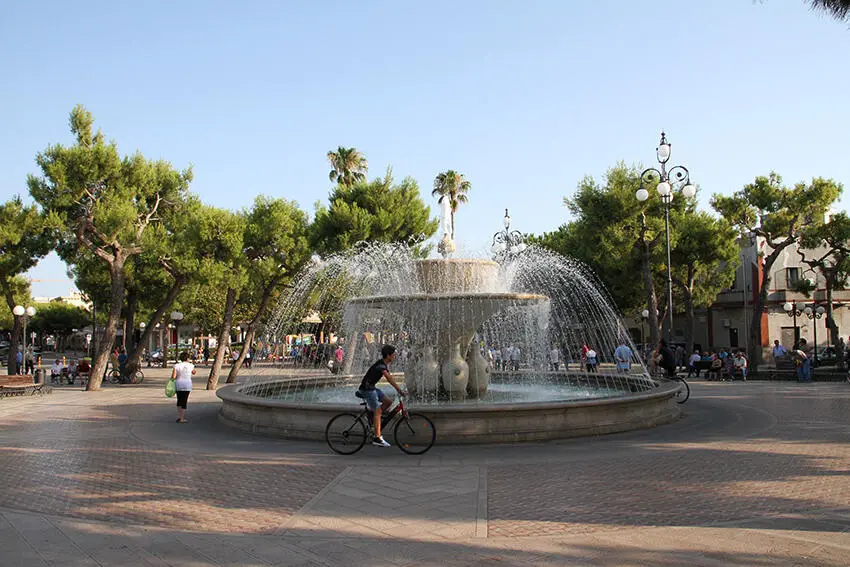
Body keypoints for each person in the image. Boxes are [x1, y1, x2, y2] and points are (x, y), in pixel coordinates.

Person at [357, 344, 405, 448]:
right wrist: (399, 390)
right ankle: (377, 438)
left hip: (372, 388)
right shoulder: (381, 366)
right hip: (366, 389)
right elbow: (389, 379)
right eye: (393, 355)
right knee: (378, 410)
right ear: (388, 355)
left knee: (388, 402)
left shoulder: (382, 364)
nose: (394, 357)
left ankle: (373, 419)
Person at [172, 351, 196, 423]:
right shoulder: (191, 365)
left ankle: (179, 417)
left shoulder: (176, 365)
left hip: (178, 384)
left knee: (179, 400)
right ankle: (182, 418)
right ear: (188, 358)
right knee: (184, 400)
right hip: (187, 384)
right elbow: (194, 372)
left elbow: (173, 376)